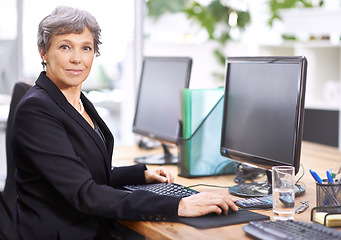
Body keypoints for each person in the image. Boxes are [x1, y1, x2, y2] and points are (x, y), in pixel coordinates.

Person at [11, 6, 238, 240]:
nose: (77, 58)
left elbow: (82, 171)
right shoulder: (37, 109)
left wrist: (140, 174)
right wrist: (178, 205)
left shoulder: (75, 101)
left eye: (86, 48)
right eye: (65, 47)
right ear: (43, 52)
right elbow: (84, 192)